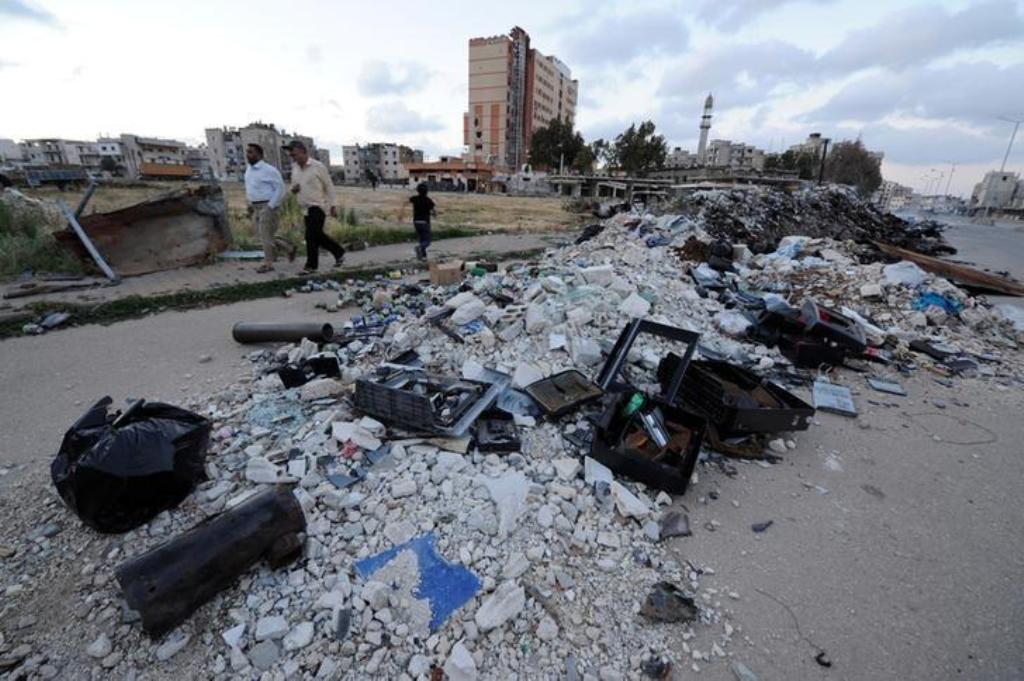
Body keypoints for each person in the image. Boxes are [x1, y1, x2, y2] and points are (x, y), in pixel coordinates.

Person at [287, 140, 344, 273]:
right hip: (305, 208)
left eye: (294, 154)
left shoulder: (318, 167)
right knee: (317, 235)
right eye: (291, 155)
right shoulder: (295, 168)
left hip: (318, 206)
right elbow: (293, 186)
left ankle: (311, 266)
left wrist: (333, 205)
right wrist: (293, 189)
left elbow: (329, 186)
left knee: (311, 236)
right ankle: (339, 252)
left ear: (304, 152)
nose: (293, 157)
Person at [243, 143, 294, 273]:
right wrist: (249, 203)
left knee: (265, 235)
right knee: (262, 234)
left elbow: (280, 189)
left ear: (259, 154)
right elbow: (251, 188)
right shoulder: (248, 170)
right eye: (247, 152)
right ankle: (288, 248)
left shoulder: (269, 170)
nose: (248, 155)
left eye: (251, 152)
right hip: (255, 206)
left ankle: (268, 264)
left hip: (267, 205)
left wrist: (270, 206)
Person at [408, 182, 436, 260]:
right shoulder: (428, 200)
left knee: (421, 239)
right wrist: (434, 214)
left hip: (416, 222)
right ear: (427, 191)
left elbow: (406, 201)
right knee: (427, 241)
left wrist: (401, 215)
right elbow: (433, 211)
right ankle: (420, 248)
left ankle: (423, 256)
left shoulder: (415, 198)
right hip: (425, 222)